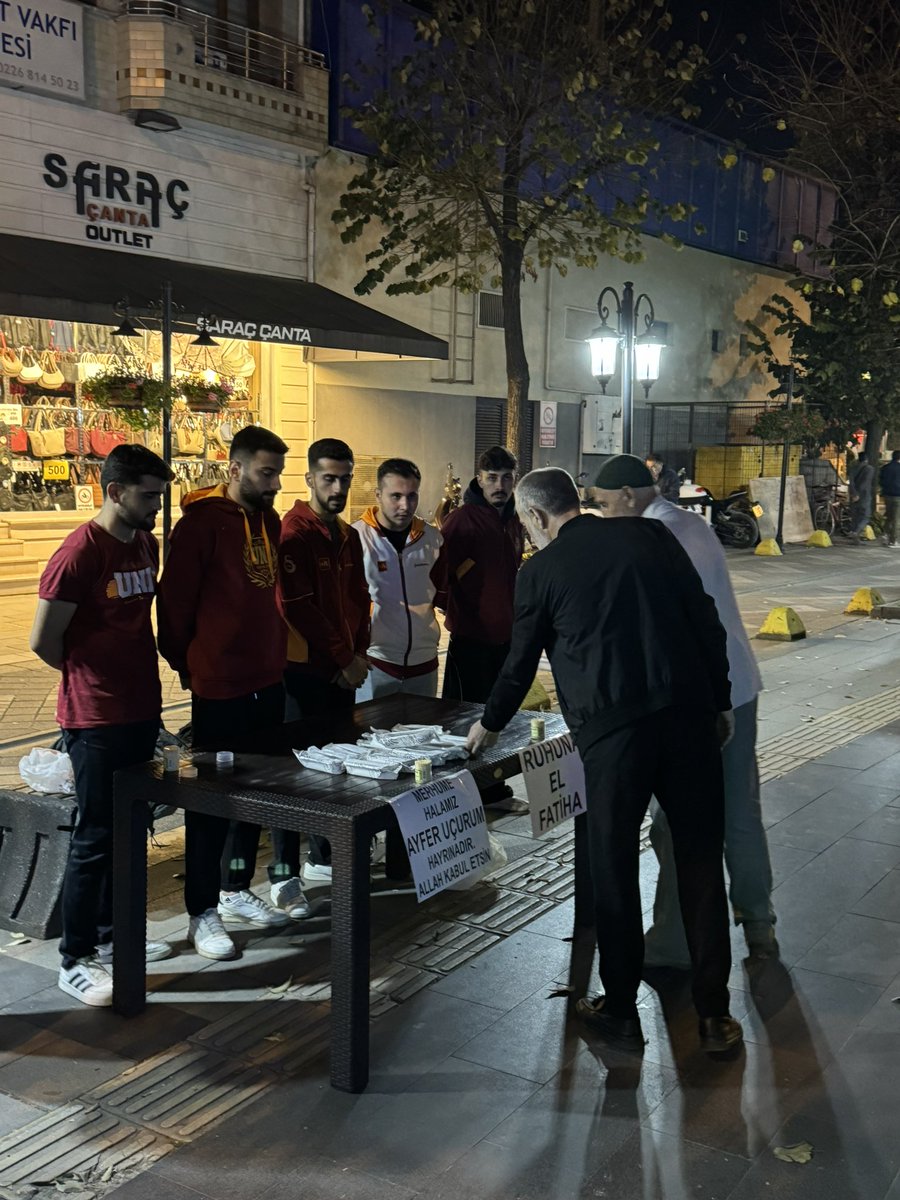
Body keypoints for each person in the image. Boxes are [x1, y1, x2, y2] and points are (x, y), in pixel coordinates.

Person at [466, 466, 742, 1055]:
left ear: (538, 517)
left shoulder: (540, 571)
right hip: (688, 719)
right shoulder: (650, 535)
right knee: (698, 863)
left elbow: (519, 665)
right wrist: (718, 702)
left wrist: (487, 728)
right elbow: (706, 622)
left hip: (614, 736)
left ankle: (620, 1011)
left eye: (525, 523)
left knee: (613, 867)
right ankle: (715, 1016)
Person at [592, 454, 777, 962]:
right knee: (740, 811)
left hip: (701, 699)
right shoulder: (690, 524)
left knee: (676, 823)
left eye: (607, 506)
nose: (606, 517)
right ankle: (759, 923)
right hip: (739, 682)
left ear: (629, 496)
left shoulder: (656, 535)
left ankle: (672, 941)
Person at [30, 444, 174, 1006]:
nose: (157, 507)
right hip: (94, 719)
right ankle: (76, 956)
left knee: (132, 828)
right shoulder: (79, 554)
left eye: (160, 496)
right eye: (148, 496)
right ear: (115, 492)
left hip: (141, 710)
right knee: (94, 837)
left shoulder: (145, 544)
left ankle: (117, 939)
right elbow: (45, 640)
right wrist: (93, 680)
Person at [158, 426, 306, 963]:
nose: (274, 483)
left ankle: (235, 887)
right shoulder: (198, 526)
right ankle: (202, 909)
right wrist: (191, 664)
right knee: (209, 802)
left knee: (256, 794)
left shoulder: (268, 520)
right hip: (218, 686)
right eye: (266, 473)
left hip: (267, 681)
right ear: (236, 467)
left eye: (278, 474)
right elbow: (172, 607)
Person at [278, 438, 371, 882]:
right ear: (310, 479)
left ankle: (325, 857)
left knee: (338, 767)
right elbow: (298, 607)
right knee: (297, 775)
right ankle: (284, 873)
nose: (338, 488)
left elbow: (361, 599)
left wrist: (359, 654)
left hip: (342, 670)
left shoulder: (347, 535)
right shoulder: (293, 532)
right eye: (329, 478)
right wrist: (343, 659)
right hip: (304, 674)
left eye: (345, 479)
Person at [353, 458, 445, 700]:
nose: (405, 505)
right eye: (395, 496)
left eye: (412, 496)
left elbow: (443, 592)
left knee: (424, 735)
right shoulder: (356, 538)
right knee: (372, 736)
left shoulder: (432, 538)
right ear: (378, 495)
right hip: (378, 662)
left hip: (425, 662)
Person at [849, 451, 875, 538]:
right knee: (865, 515)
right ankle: (856, 532)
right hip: (864, 495)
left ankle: (853, 531)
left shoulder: (853, 468)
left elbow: (851, 482)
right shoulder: (870, 469)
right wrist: (858, 494)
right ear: (866, 459)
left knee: (855, 516)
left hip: (853, 495)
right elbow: (865, 483)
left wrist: (853, 493)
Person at [879, 450, 900, 547]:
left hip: (887, 495)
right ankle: (893, 540)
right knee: (896, 519)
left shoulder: (885, 468)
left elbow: (881, 480)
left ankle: (885, 535)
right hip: (897, 495)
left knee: (889, 516)